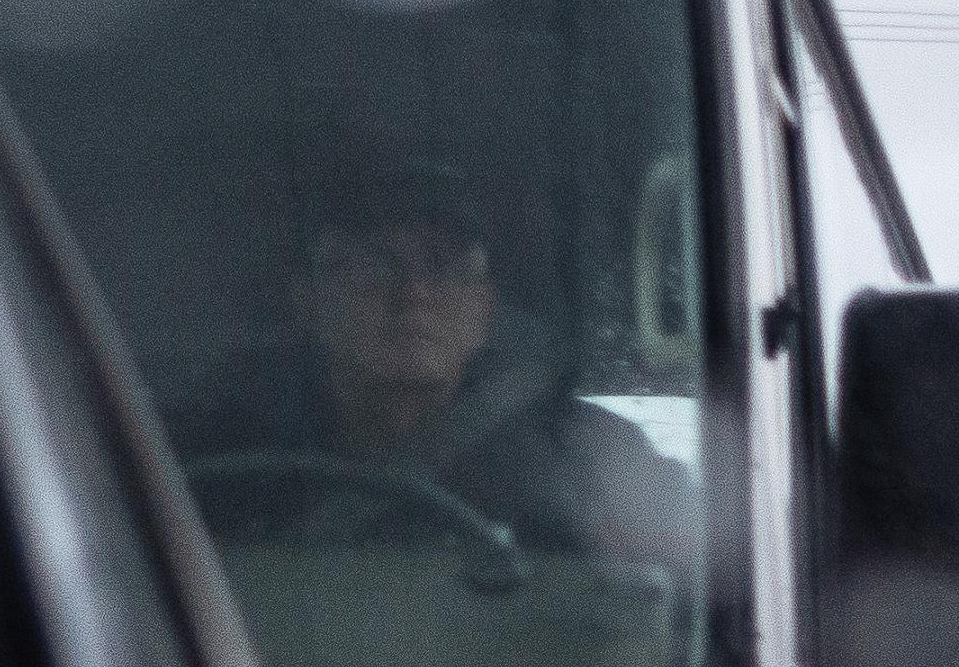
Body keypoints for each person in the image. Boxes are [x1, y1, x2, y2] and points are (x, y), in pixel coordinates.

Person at [162, 167, 698, 569]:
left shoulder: (588, 460)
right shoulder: (207, 457)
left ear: (484, 309)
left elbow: (678, 601)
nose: (412, 292)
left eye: (445, 266)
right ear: (309, 300)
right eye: (371, 263)